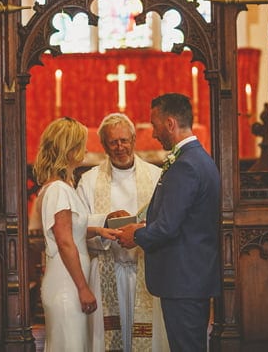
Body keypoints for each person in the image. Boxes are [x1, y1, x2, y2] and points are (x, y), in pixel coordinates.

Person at [116, 93, 220, 352]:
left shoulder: (186, 164)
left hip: (183, 280)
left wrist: (136, 236)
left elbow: (167, 227)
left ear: (171, 123)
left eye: (155, 124)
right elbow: (180, 219)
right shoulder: (198, 159)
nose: (153, 133)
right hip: (191, 277)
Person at [77, 113, 169, 352]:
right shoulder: (89, 181)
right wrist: (105, 220)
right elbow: (77, 225)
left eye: (124, 140)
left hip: (146, 270)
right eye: (113, 142)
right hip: (107, 269)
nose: (120, 147)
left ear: (134, 139)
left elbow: (166, 220)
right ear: (104, 145)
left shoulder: (155, 176)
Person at [31, 117, 100, 351]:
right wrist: (83, 288)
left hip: (68, 279)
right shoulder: (59, 190)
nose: (87, 149)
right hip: (67, 284)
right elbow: (65, 242)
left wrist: (100, 230)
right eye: (81, 144)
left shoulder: (61, 186)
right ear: (69, 150)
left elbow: (71, 230)